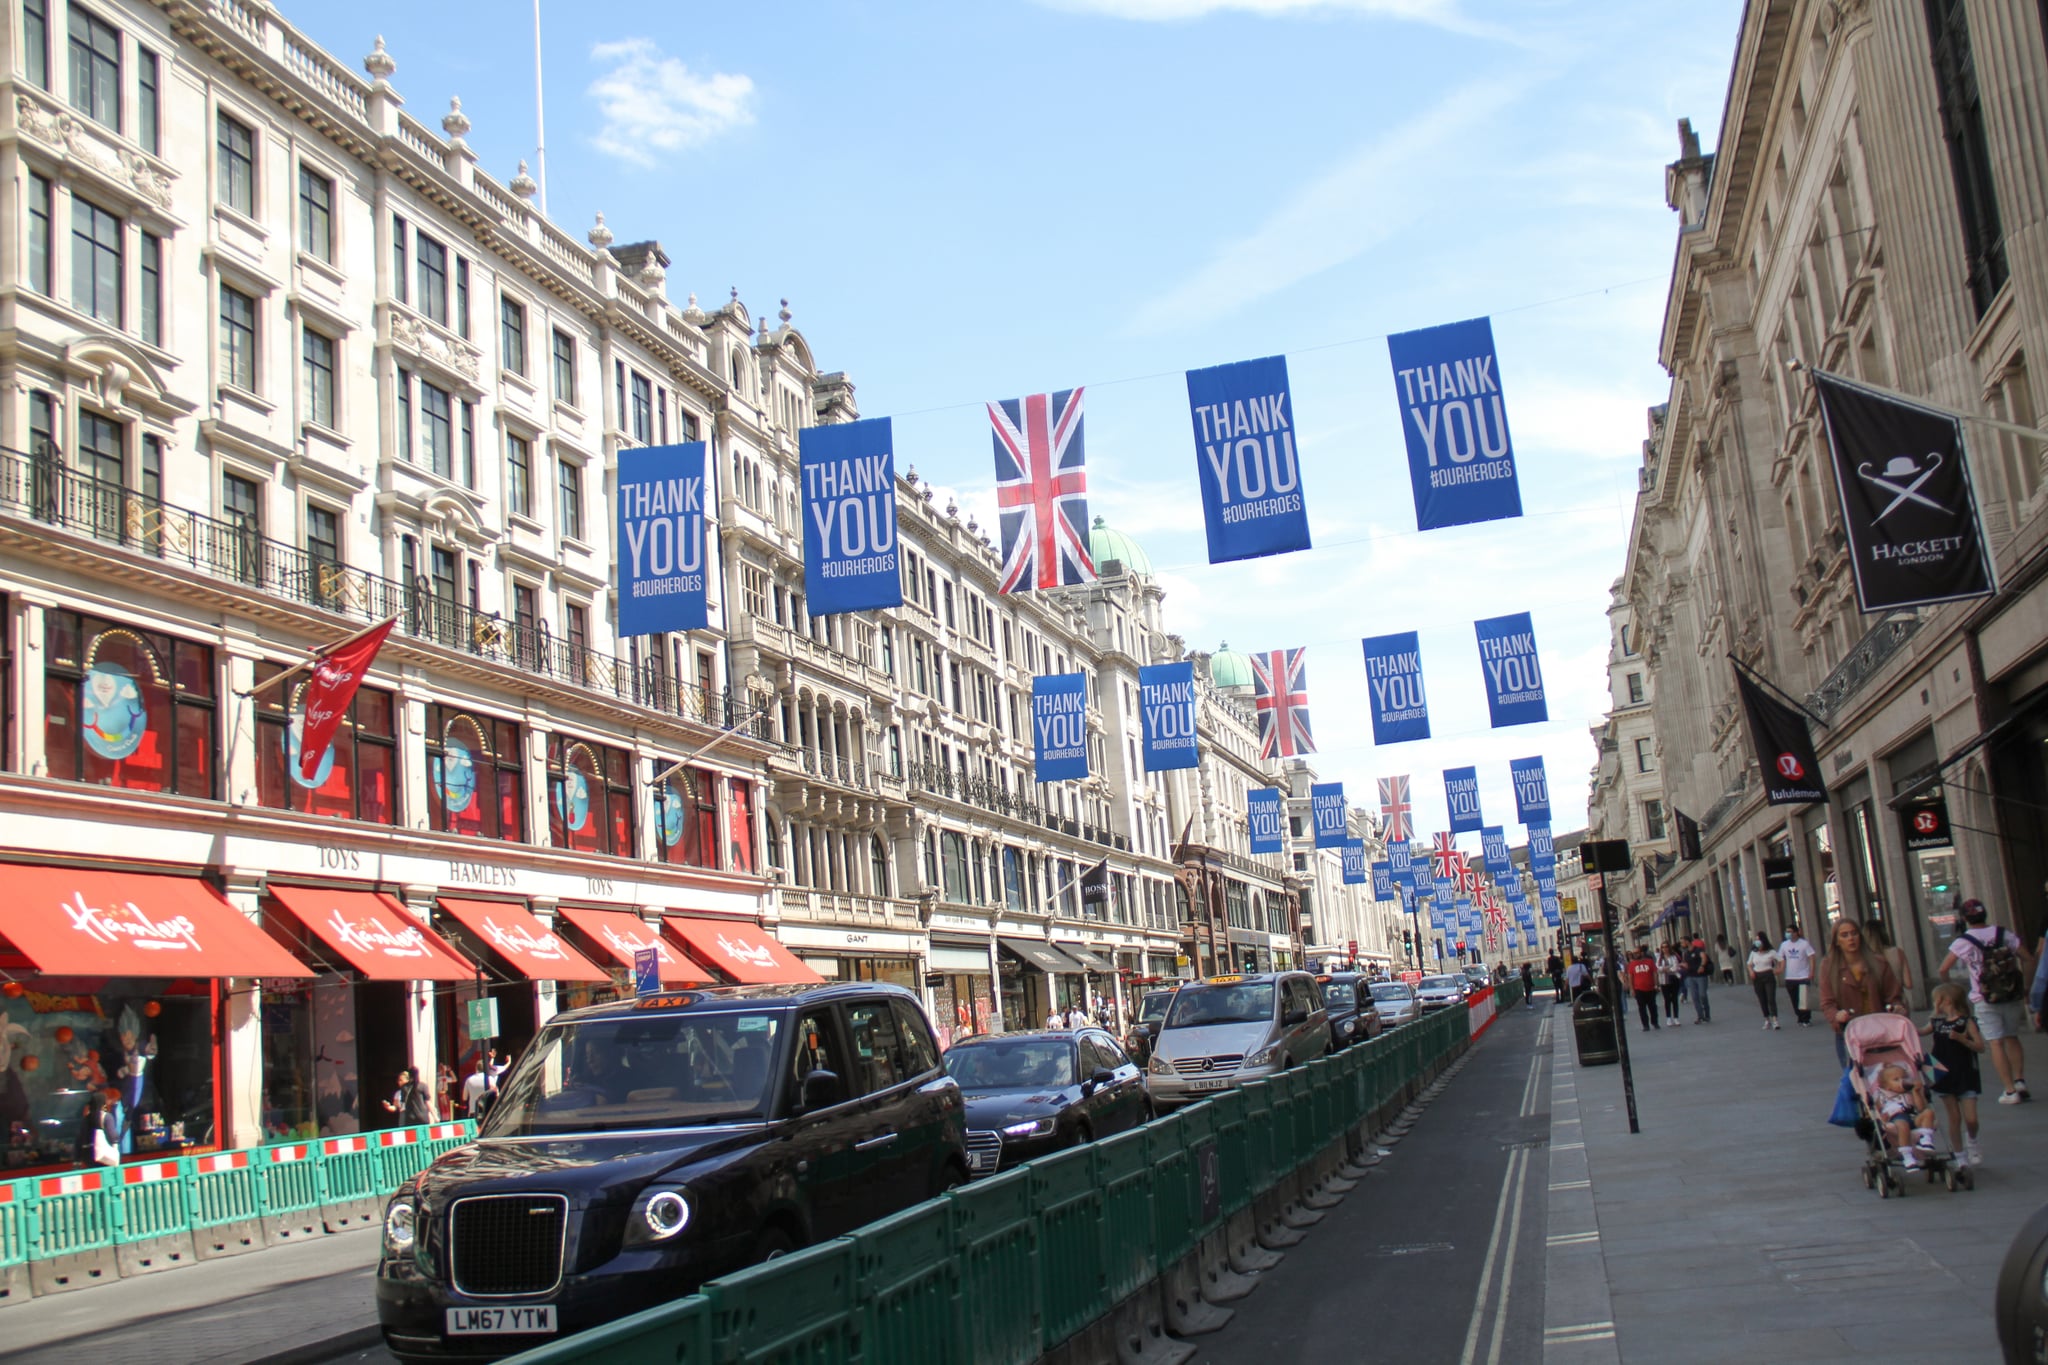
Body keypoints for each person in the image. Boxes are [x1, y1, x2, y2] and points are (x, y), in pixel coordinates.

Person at [1937, 899, 2036, 1105]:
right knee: (2012, 1037)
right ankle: (2019, 1081)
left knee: (1996, 1042)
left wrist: (1954, 991)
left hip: (1984, 999)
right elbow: (2027, 958)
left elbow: (1943, 969)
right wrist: (2026, 987)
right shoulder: (2003, 934)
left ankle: (2009, 1091)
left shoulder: (1964, 941)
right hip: (2011, 995)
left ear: (1964, 918)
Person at [1817, 919, 1902, 1068]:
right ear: (1837, 941)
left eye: (1854, 933)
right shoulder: (1828, 966)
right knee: (1856, 1080)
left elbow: (1893, 995)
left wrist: (1897, 1007)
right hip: (1850, 1031)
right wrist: (1836, 1015)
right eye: (1844, 935)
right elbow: (1827, 1002)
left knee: (1885, 1078)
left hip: (1880, 1030)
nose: (1850, 938)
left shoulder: (1879, 963)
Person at [1921, 981, 1985, 1166]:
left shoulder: (1966, 1022)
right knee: (1954, 1117)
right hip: (1941, 1072)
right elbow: (1919, 1031)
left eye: (1937, 1001)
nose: (1936, 1005)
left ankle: (1972, 1140)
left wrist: (1962, 1039)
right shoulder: (1936, 1022)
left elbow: (1980, 1047)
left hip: (1965, 1072)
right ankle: (1960, 1155)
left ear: (1946, 1000)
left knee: (1971, 1118)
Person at [1870, 1063, 1937, 1169]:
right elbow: (1877, 1110)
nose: (1902, 1081)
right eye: (1896, 1080)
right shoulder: (1883, 1096)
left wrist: (1916, 1092)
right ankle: (1907, 1155)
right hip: (1896, 1119)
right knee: (1903, 1124)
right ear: (1886, 1086)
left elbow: (1920, 1108)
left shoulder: (1909, 1093)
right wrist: (1880, 1117)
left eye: (1904, 1078)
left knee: (1928, 1112)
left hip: (1912, 1117)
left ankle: (1925, 1140)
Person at [1863, 918, 1913, 999]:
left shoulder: (1864, 957)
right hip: (1898, 1002)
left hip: (1876, 1003)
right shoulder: (1898, 952)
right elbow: (1909, 984)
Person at [1779, 925, 1816, 1026]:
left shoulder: (1804, 944)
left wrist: (1812, 972)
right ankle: (1800, 1016)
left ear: (1796, 932)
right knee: (1794, 999)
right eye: (1787, 931)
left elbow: (1812, 957)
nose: (1788, 934)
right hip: (1790, 977)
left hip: (1803, 975)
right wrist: (1780, 969)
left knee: (1804, 998)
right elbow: (1781, 958)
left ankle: (1806, 1019)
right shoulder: (1784, 945)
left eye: (1790, 931)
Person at [1746, 931, 1781, 1030]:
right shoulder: (1754, 952)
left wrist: (1779, 970)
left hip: (1768, 974)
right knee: (1762, 999)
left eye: (1758, 940)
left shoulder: (1771, 951)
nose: (1757, 942)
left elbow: (1781, 960)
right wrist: (1751, 972)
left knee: (1771, 998)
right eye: (1756, 940)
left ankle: (1775, 1019)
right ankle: (1767, 1019)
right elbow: (1749, 964)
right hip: (1757, 976)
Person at [1626, 948, 1660, 1032]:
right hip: (1638, 989)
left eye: (1637, 953)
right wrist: (1631, 989)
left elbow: (1655, 973)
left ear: (1641, 953)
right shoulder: (1632, 964)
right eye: (1634, 953)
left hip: (1650, 987)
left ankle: (1655, 1022)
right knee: (1642, 1008)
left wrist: (1656, 984)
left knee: (1653, 1007)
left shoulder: (1649, 961)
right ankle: (1645, 1025)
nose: (1635, 954)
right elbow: (1630, 977)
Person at [1682, 936, 1713, 1023]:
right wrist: (1683, 965)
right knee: (1695, 997)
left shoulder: (1698, 950)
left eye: (1682, 942)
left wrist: (1702, 966)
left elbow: (1704, 957)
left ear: (1687, 942)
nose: (1681, 944)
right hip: (1691, 976)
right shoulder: (1686, 953)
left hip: (1700, 976)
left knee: (1702, 995)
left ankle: (1707, 1014)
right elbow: (1686, 964)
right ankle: (1700, 1016)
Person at [1655, 944, 1683, 1026]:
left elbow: (1676, 967)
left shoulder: (1673, 957)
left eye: (1666, 947)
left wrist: (1666, 969)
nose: (1665, 948)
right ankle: (1668, 1018)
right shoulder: (1659, 958)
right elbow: (1657, 968)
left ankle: (1676, 1018)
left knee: (1674, 999)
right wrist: (1664, 968)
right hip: (1664, 981)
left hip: (1674, 979)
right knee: (1667, 1000)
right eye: (1663, 947)